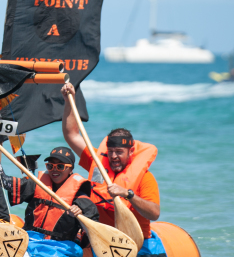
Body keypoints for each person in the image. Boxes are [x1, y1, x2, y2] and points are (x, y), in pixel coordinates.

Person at [61, 83, 161, 238]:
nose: (113, 156)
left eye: (119, 152)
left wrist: (128, 194)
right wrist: (69, 100)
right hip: (101, 237)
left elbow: (154, 213)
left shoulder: (145, 178)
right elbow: (71, 135)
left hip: (134, 240)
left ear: (131, 152)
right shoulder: (97, 162)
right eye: (110, 151)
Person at [0, 142, 99, 244]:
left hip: (59, 248)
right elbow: (1, 179)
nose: (54, 170)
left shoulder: (79, 197)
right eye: (50, 166)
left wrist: (80, 215)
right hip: (31, 242)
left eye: (60, 166)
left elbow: (94, 229)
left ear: (71, 169)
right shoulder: (37, 184)